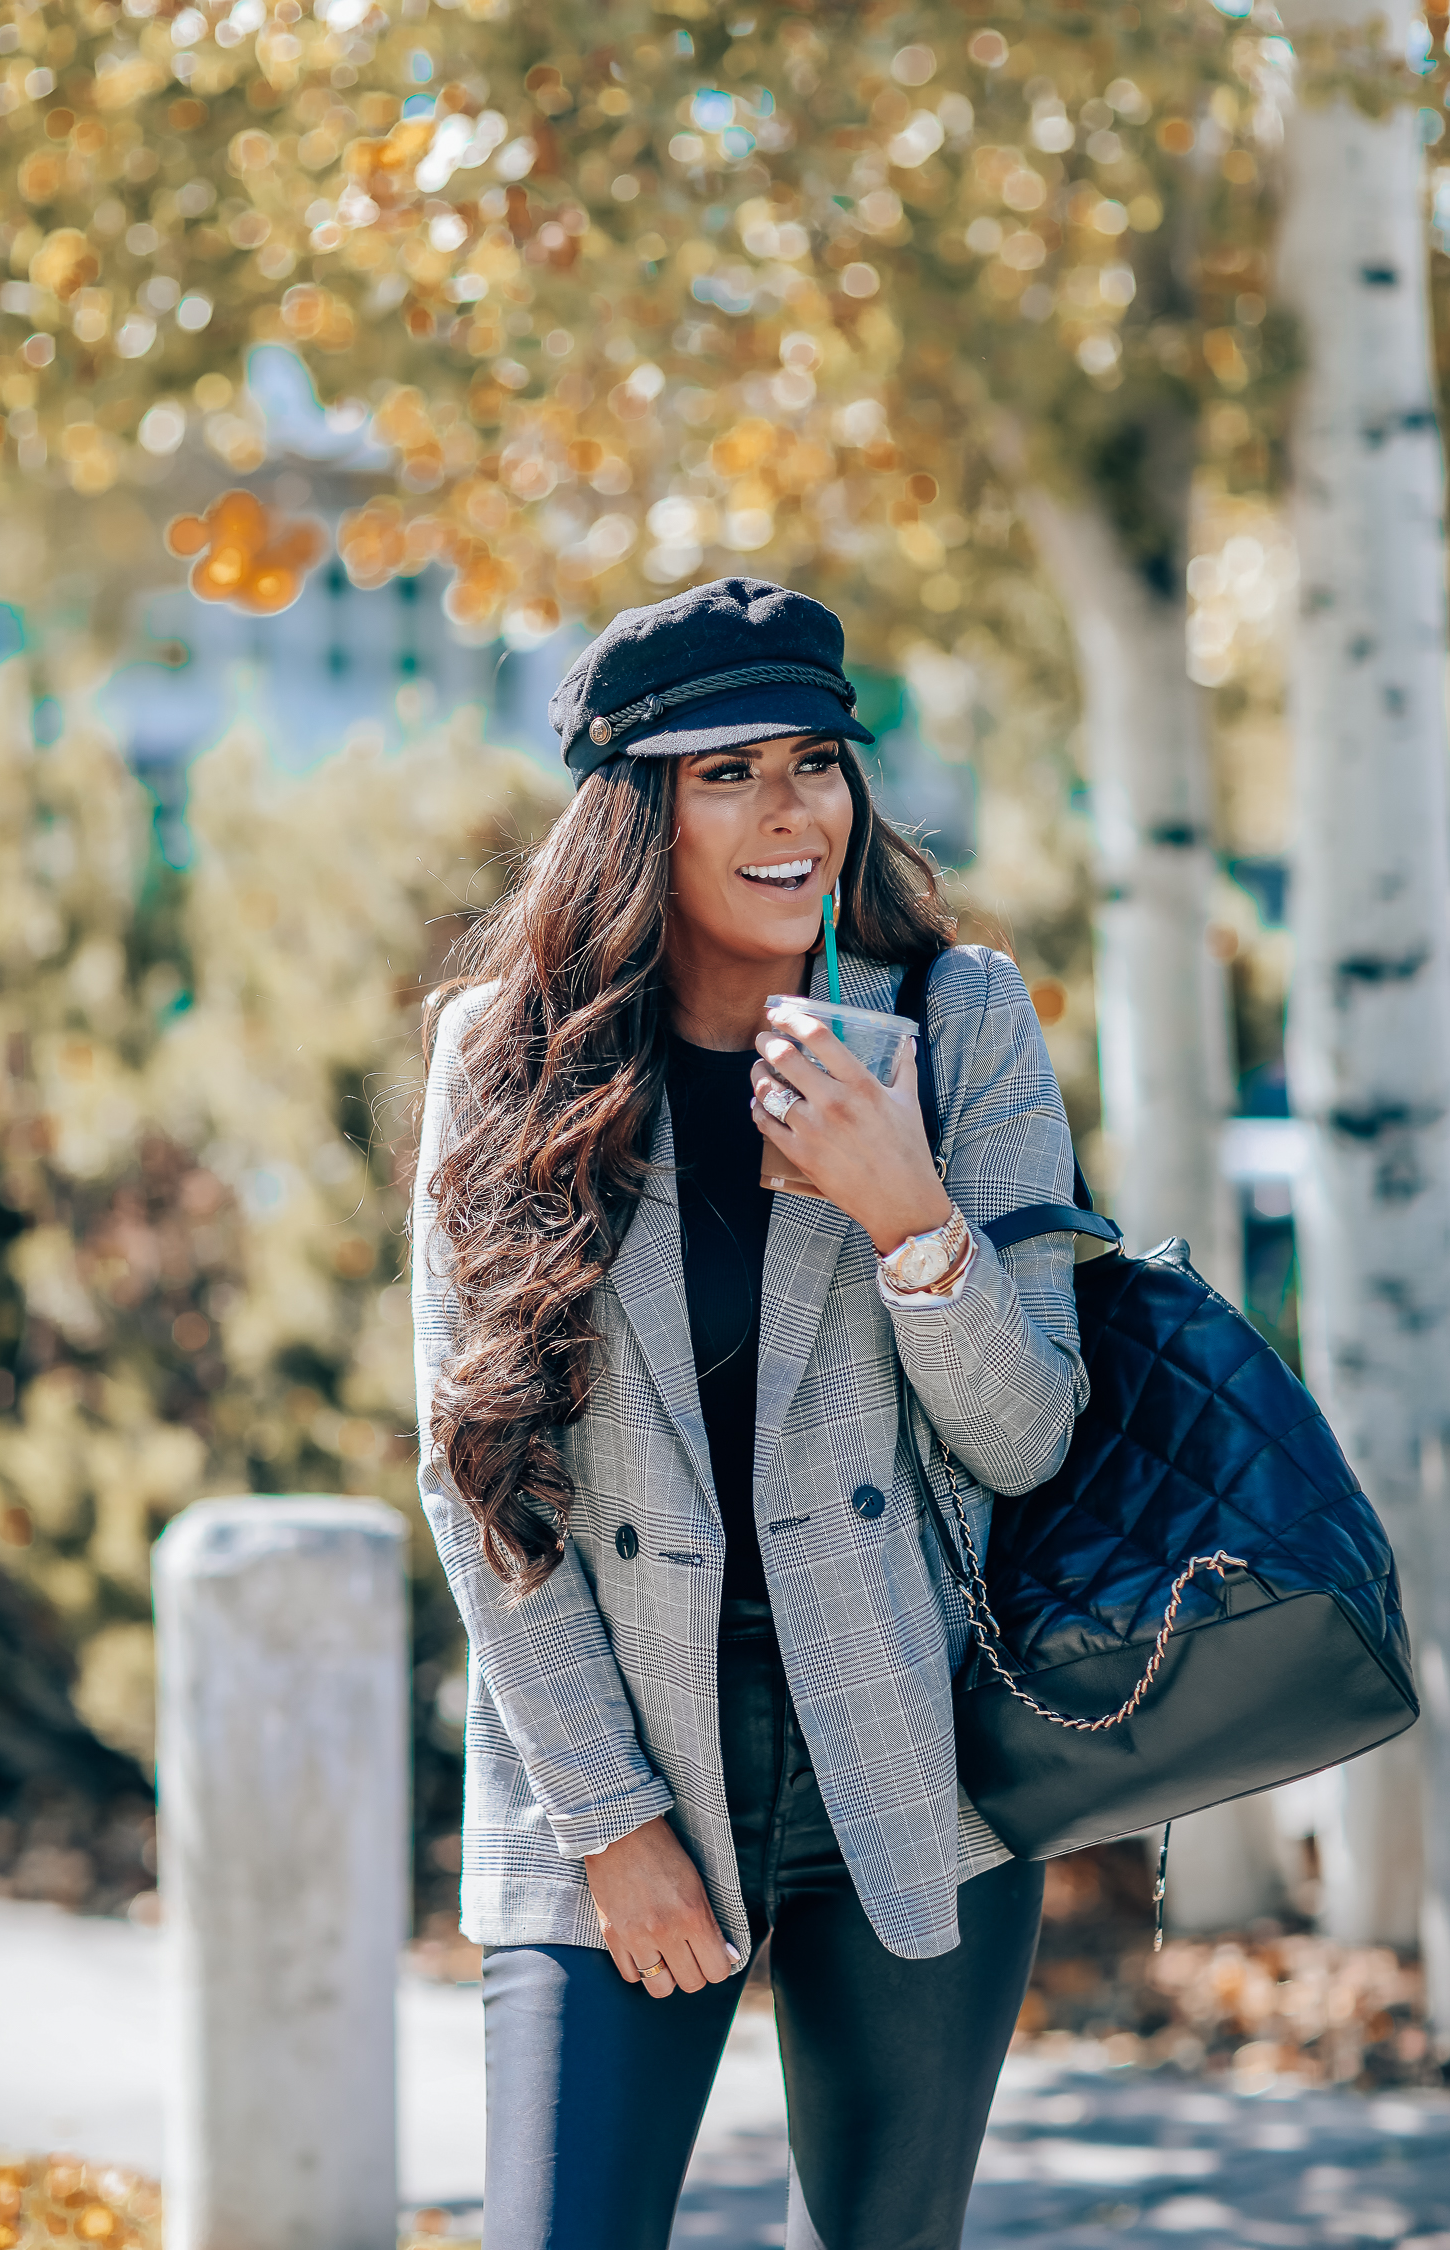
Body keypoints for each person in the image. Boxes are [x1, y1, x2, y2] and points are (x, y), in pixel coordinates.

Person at [413, 577, 1087, 2250]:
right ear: (636, 814)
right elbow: (480, 1470)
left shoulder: (956, 1021)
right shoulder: (504, 1058)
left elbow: (1030, 1440)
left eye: (817, 759)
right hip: (613, 1743)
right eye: (729, 772)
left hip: (906, 1741)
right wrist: (611, 1821)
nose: (795, 812)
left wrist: (907, 1212)